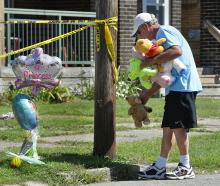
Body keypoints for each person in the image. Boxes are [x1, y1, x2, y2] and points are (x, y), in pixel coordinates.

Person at [131, 13, 202, 180]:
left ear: (145, 27)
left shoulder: (163, 31)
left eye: (138, 34)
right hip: (176, 87)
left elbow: (177, 51)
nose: (139, 38)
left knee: (178, 126)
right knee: (169, 128)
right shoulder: (160, 41)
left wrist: (149, 61)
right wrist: (147, 94)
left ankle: (186, 166)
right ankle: (160, 166)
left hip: (183, 86)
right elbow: (165, 73)